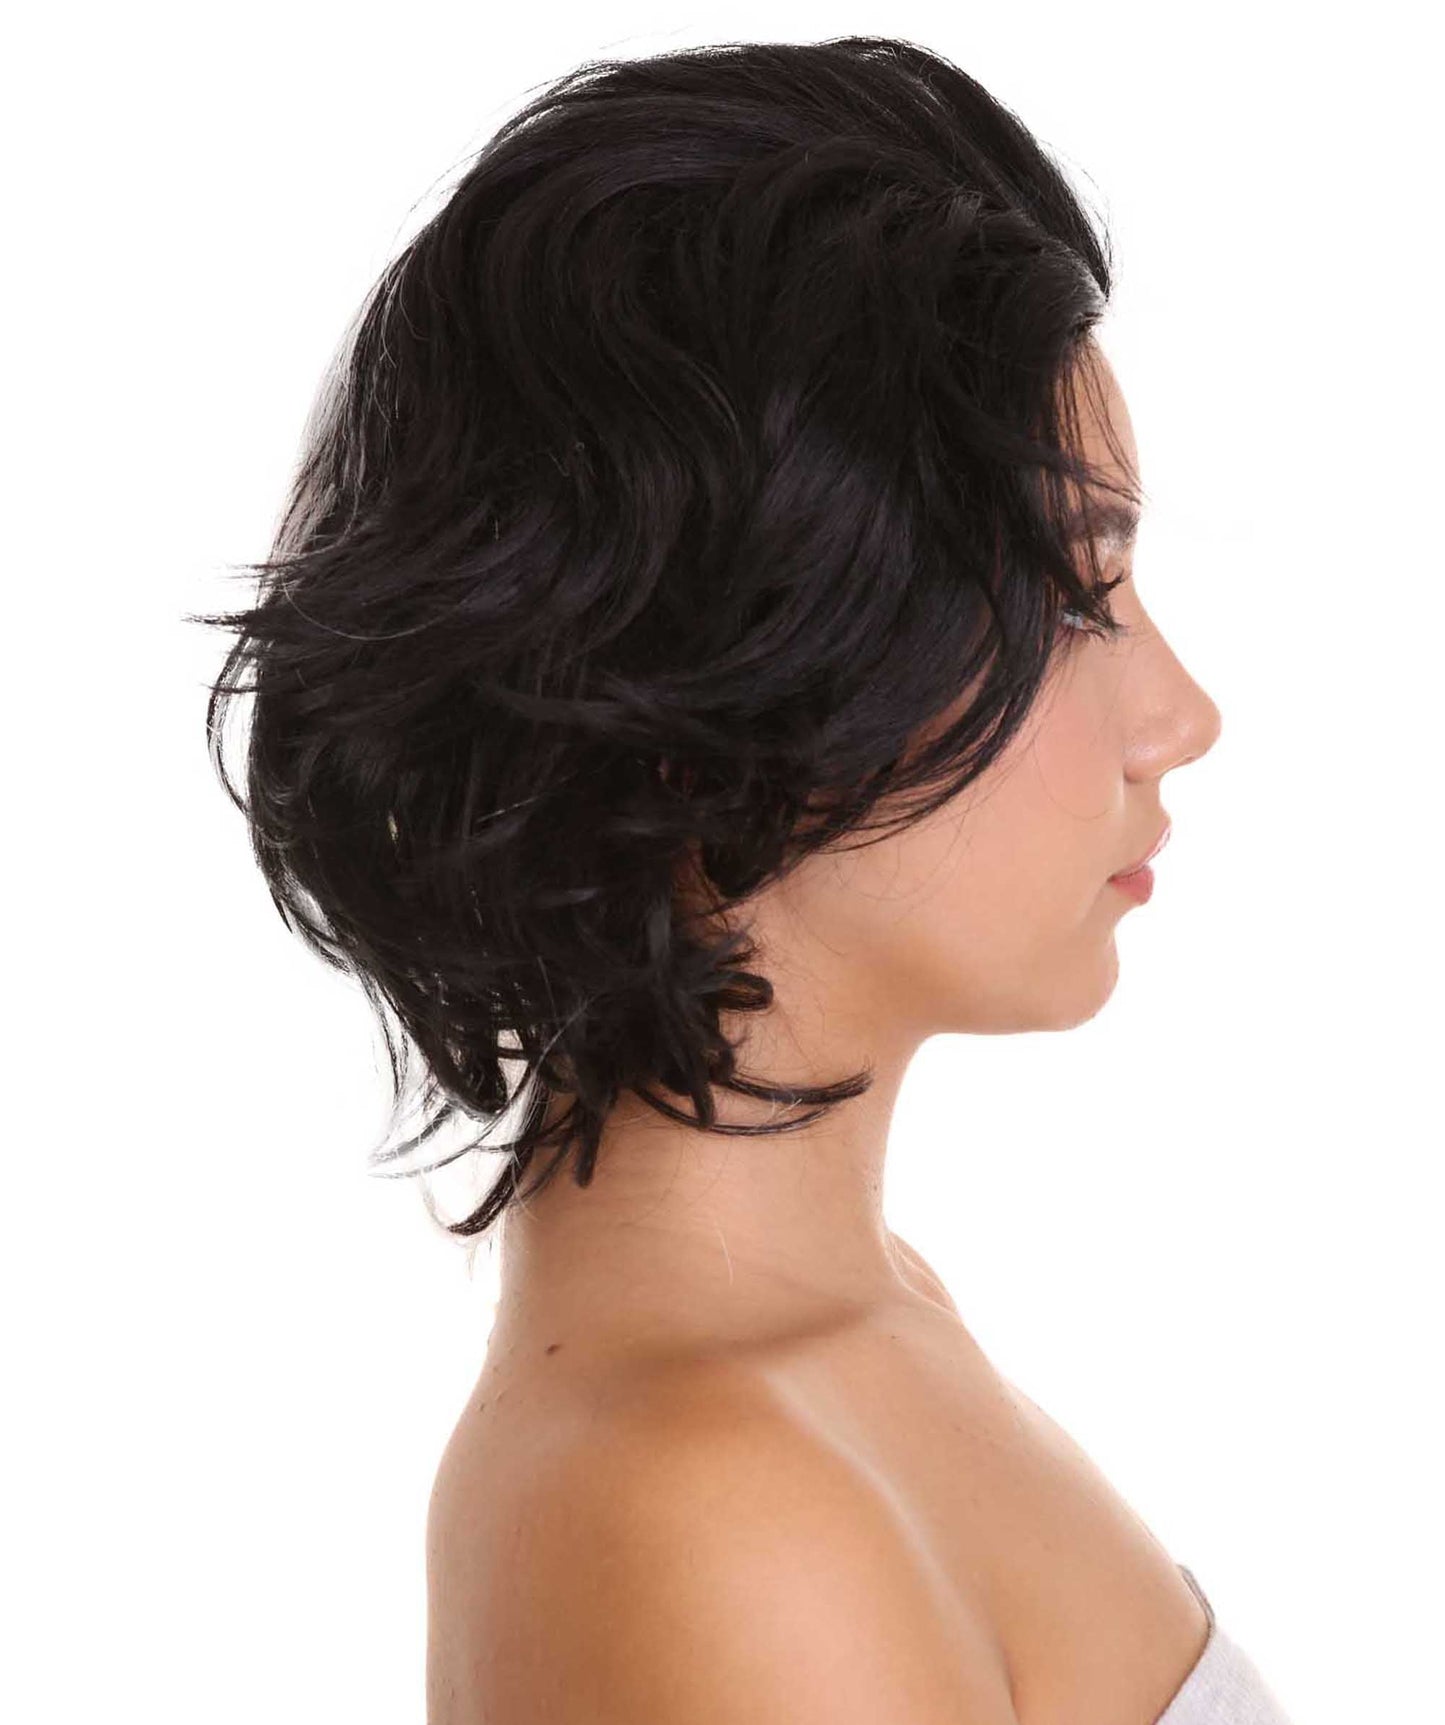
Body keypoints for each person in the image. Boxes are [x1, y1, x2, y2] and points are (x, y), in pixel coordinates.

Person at [199, 34, 1294, 1725]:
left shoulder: (853, 1336)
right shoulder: (717, 1507)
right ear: (728, 671)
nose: (1181, 717)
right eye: (1071, 596)